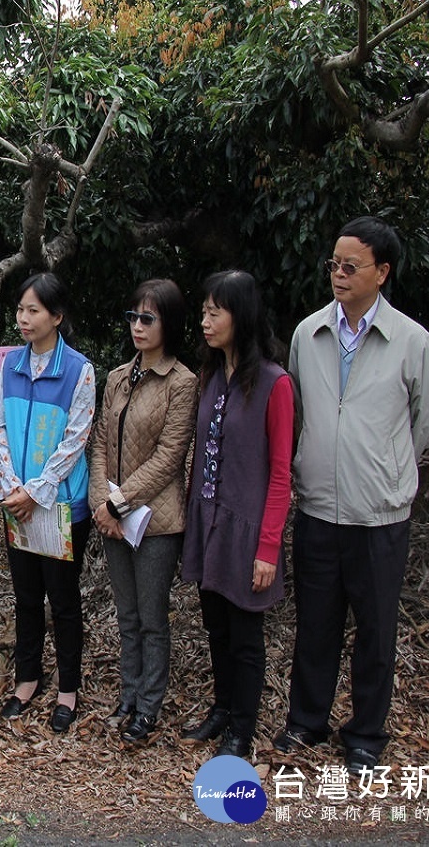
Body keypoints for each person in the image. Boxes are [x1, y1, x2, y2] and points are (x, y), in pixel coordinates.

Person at [274, 217, 429, 774]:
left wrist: (388, 469)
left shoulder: (412, 341)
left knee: (375, 629)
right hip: (318, 506)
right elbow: (299, 411)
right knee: (315, 623)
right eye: (334, 265)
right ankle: (307, 721)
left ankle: (367, 733)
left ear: (382, 272)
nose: (339, 275)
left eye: (351, 267)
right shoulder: (308, 333)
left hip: (380, 515)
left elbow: (426, 420)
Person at [181, 270, 294, 759]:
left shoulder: (275, 384)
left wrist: (268, 547)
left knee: (246, 635)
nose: (205, 321)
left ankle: (242, 728)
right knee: (216, 626)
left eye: (215, 312)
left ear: (240, 316)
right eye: (204, 311)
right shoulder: (210, 375)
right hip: (209, 523)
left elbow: (282, 475)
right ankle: (222, 708)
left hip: (248, 531)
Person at [89, 279, 197, 744]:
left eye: (147, 318)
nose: (137, 326)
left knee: (152, 617)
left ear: (168, 324)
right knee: (126, 614)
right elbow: (98, 444)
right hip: (113, 517)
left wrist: (119, 501)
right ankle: (128, 696)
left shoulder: (183, 382)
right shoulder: (117, 376)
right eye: (133, 317)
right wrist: (101, 504)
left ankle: (148, 708)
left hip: (157, 520)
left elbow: (170, 457)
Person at [0, 273, 97, 735]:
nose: (23, 318)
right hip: (16, 502)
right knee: (27, 597)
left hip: (60, 506)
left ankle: (68, 689)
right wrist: (13, 485)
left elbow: (77, 437)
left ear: (57, 316)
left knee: (64, 600)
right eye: (20, 309)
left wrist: (37, 490)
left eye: (34, 310)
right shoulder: (12, 364)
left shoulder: (79, 370)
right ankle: (27, 680)